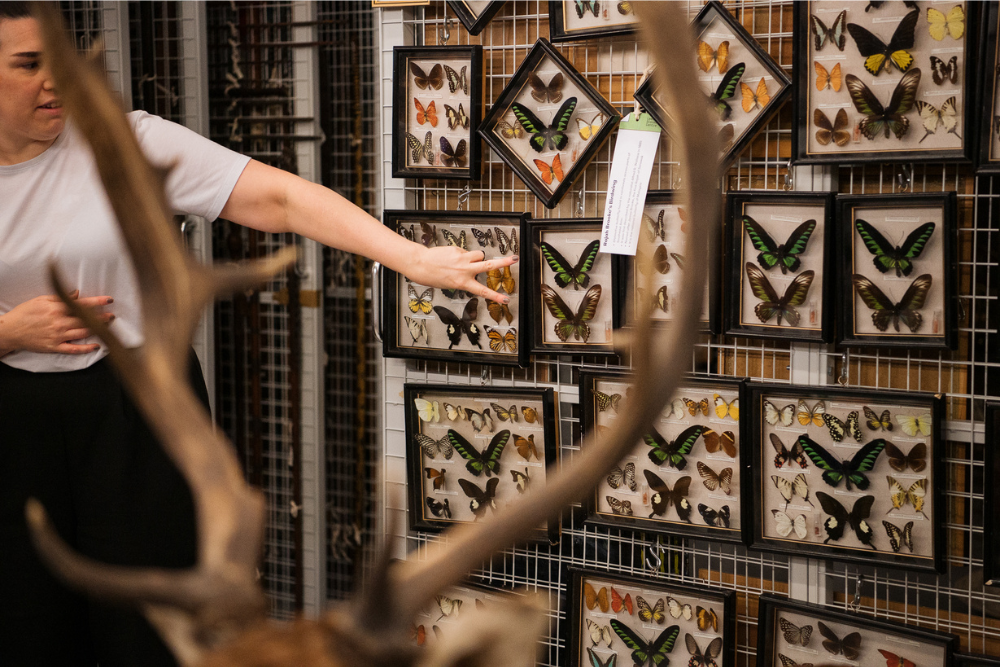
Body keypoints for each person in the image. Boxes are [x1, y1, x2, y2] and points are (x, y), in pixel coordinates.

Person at [0, 4, 517, 666]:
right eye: (28, 65)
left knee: (148, 631)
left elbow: (281, 198)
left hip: (141, 413)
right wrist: (10, 330)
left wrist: (409, 257)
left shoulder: (127, 141)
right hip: (15, 423)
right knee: (25, 618)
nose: (56, 82)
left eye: (63, 63)